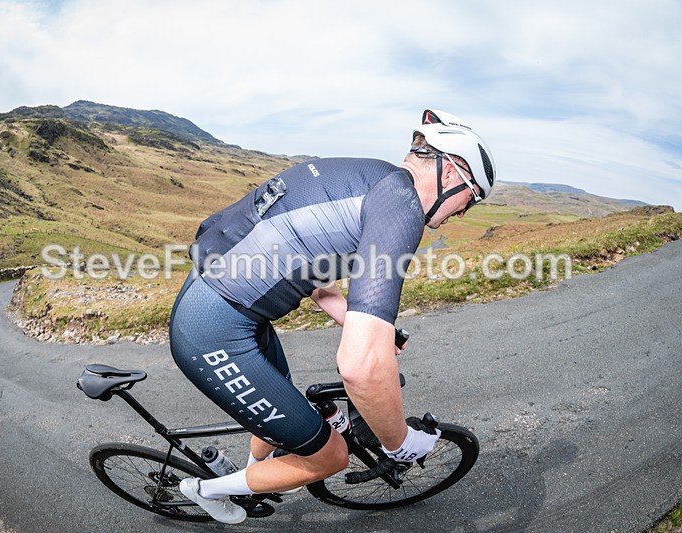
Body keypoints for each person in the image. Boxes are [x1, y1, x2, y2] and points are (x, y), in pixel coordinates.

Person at [168, 108, 496, 523]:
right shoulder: (401, 207)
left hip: (223, 308)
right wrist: (398, 443)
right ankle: (205, 492)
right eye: (474, 197)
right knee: (331, 457)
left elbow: (319, 279)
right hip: (214, 331)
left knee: (283, 400)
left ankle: (252, 477)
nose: (466, 212)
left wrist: (370, 327)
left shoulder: (371, 177)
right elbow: (359, 368)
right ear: (451, 173)